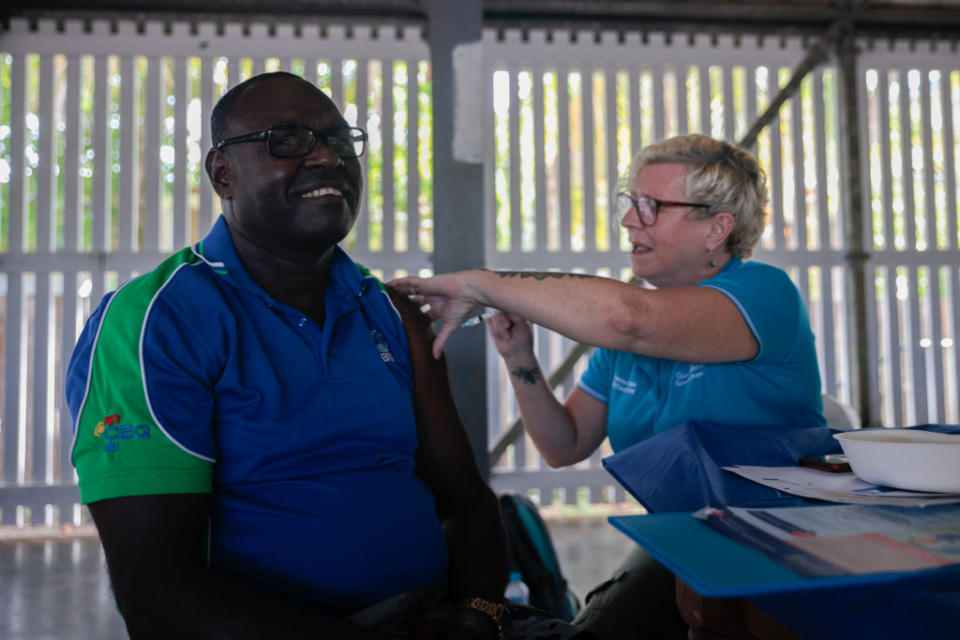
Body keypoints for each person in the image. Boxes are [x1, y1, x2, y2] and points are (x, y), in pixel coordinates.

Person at [66, 71, 588, 640]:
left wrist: (475, 616)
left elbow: (468, 502)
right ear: (223, 174)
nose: (326, 158)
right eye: (287, 140)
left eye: (340, 142)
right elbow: (156, 594)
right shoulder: (153, 322)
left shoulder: (390, 312)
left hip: (440, 617)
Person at [390, 134, 827, 639]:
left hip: (783, 539)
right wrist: (519, 358)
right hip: (692, 539)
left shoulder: (762, 293)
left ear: (717, 228)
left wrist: (480, 283)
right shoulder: (633, 334)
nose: (628, 221)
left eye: (651, 206)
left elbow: (625, 317)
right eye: (630, 203)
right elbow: (564, 444)